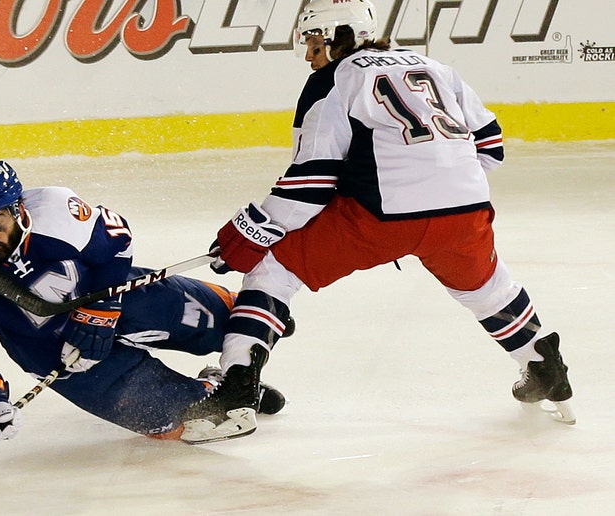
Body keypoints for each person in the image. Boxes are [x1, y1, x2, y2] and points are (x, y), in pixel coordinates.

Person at [183, 0, 574, 432]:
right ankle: (545, 370)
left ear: (339, 38)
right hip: (465, 210)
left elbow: (310, 183)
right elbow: (491, 146)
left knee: (273, 268)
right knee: (488, 289)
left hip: (378, 218)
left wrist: (250, 231)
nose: (309, 54)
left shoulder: (334, 80)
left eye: (314, 41)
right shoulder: (437, 67)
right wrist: (439, 184)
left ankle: (236, 389)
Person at [0, 160, 287, 443]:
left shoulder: (55, 210)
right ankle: (222, 387)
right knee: (193, 423)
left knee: (243, 320)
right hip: (56, 356)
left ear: (19, 209)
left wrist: (97, 312)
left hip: (111, 298)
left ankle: (233, 334)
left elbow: (116, 241)